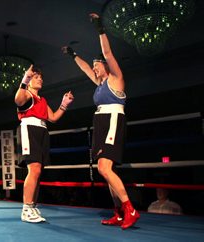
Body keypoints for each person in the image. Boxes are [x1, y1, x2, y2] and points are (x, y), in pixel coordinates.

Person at [62, 13, 139, 229]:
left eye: (98, 65)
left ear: (106, 65)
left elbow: (107, 52)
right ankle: (119, 212)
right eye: (95, 66)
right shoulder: (99, 84)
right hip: (101, 123)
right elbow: (85, 68)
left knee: (105, 168)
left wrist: (100, 29)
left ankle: (130, 209)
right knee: (103, 170)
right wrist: (73, 55)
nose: (95, 68)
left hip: (113, 119)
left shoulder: (116, 78)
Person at [15, 64, 74, 223]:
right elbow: (17, 100)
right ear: (29, 81)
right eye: (36, 77)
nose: (40, 79)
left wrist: (64, 104)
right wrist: (25, 79)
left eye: (41, 77)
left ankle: (32, 206)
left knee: (38, 171)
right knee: (33, 169)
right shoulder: (27, 94)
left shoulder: (42, 100)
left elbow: (53, 117)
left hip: (42, 131)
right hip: (29, 129)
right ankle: (26, 209)